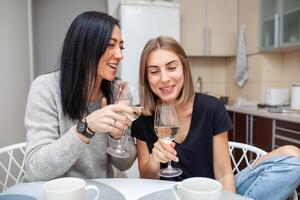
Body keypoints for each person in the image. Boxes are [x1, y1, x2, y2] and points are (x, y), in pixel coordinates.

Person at [131, 36, 300, 200]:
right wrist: (154, 159)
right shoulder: (142, 116)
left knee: (294, 160)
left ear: (184, 67)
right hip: (170, 195)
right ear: (146, 77)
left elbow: (224, 175)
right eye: (154, 71)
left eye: (171, 68)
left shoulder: (212, 108)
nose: (165, 78)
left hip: (211, 194)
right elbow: (146, 178)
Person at [23, 11, 137, 182]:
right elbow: (36, 169)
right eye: (110, 45)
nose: (120, 55)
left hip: (97, 191)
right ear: (85, 47)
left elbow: (124, 164)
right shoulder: (46, 88)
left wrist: (116, 136)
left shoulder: (118, 92)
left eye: (121, 47)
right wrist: (86, 127)